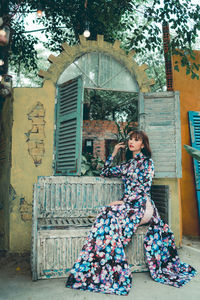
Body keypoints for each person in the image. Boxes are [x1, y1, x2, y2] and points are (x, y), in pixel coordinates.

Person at [66, 130, 196, 295]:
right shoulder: (127, 165)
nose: (132, 142)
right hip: (130, 207)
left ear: (142, 144)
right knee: (106, 218)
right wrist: (113, 153)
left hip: (143, 206)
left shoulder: (148, 163)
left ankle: (108, 269)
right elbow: (105, 172)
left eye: (136, 140)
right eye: (131, 139)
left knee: (108, 212)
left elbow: (143, 190)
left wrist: (122, 202)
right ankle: (100, 270)